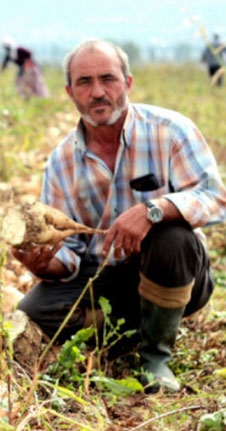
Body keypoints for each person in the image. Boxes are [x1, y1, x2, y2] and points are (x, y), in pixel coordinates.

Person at [12, 39, 226, 394]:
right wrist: (43, 264)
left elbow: (215, 198)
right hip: (110, 278)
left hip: (177, 268)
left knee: (171, 236)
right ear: (70, 92)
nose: (97, 92)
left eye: (107, 78)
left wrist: (153, 211)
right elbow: (69, 253)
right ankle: (139, 326)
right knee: (35, 310)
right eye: (84, 82)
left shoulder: (170, 129)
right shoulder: (62, 162)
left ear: (127, 83)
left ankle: (155, 357)